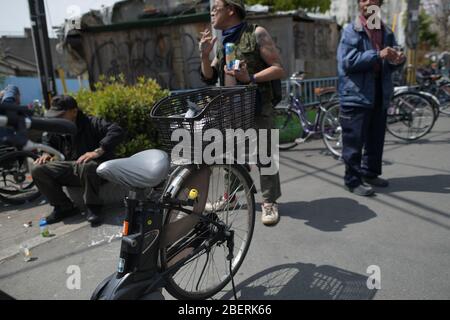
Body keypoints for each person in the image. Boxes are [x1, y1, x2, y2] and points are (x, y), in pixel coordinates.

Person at [199, 0, 286, 225]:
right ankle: (231, 197)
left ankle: (269, 202)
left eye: (215, 9)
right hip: (231, 109)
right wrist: (204, 55)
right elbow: (209, 76)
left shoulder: (256, 33)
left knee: (265, 155)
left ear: (231, 9)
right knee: (231, 155)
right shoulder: (222, 41)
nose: (211, 14)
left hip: (258, 105)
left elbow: (278, 68)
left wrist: (251, 78)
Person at [337, 0, 406, 196]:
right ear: (360, 4)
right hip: (356, 94)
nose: (369, 3)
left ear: (380, 4)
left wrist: (398, 59)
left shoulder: (386, 31)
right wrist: (378, 54)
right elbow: (348, 62)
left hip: (379, 91)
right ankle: (352, 180)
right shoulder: (352, 30)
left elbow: (392, 59)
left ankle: (370, 173)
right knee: (354, 141)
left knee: (376, 138)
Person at [31, 95, 125, 226]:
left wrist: (98, 151)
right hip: (72, 168)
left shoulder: (92, 122)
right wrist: (46, 152)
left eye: (61, 115)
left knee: (87, 165)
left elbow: (116, 131)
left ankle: (93, 207)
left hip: (93, 170)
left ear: (74, 112)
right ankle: (63, 207)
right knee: (37, 169)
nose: (56, 118)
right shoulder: (58, 127)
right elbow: (48, 141)